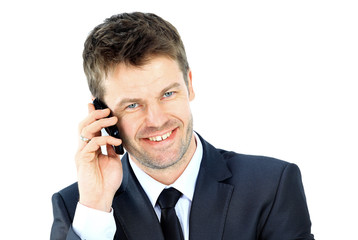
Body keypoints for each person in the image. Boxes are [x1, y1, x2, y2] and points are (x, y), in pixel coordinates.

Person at [50, 12, 314, 240]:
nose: (156, 120)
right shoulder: (78, 209)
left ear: (189, 84)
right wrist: (96, 208)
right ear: (102, 114)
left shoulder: (271, 186)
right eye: (132, 105)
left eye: (167, 94)